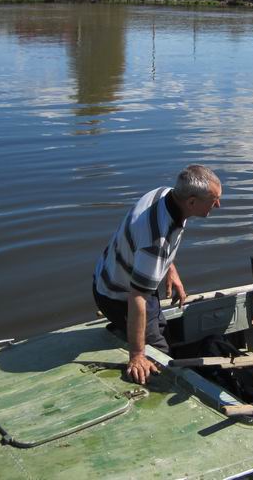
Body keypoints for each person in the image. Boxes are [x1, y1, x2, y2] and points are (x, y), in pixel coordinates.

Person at [92, 164, 222, 385]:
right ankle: (131, 341)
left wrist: (170, 270)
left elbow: (160, 245)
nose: (218, 205)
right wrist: (137, 355)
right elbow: (137, 297)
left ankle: (128, 330)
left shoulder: (165, 194)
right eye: (213, 201)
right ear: (191, 202)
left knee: (159, 326)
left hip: (114, 276)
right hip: (119, 295)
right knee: (159, 356)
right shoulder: (156, 241)